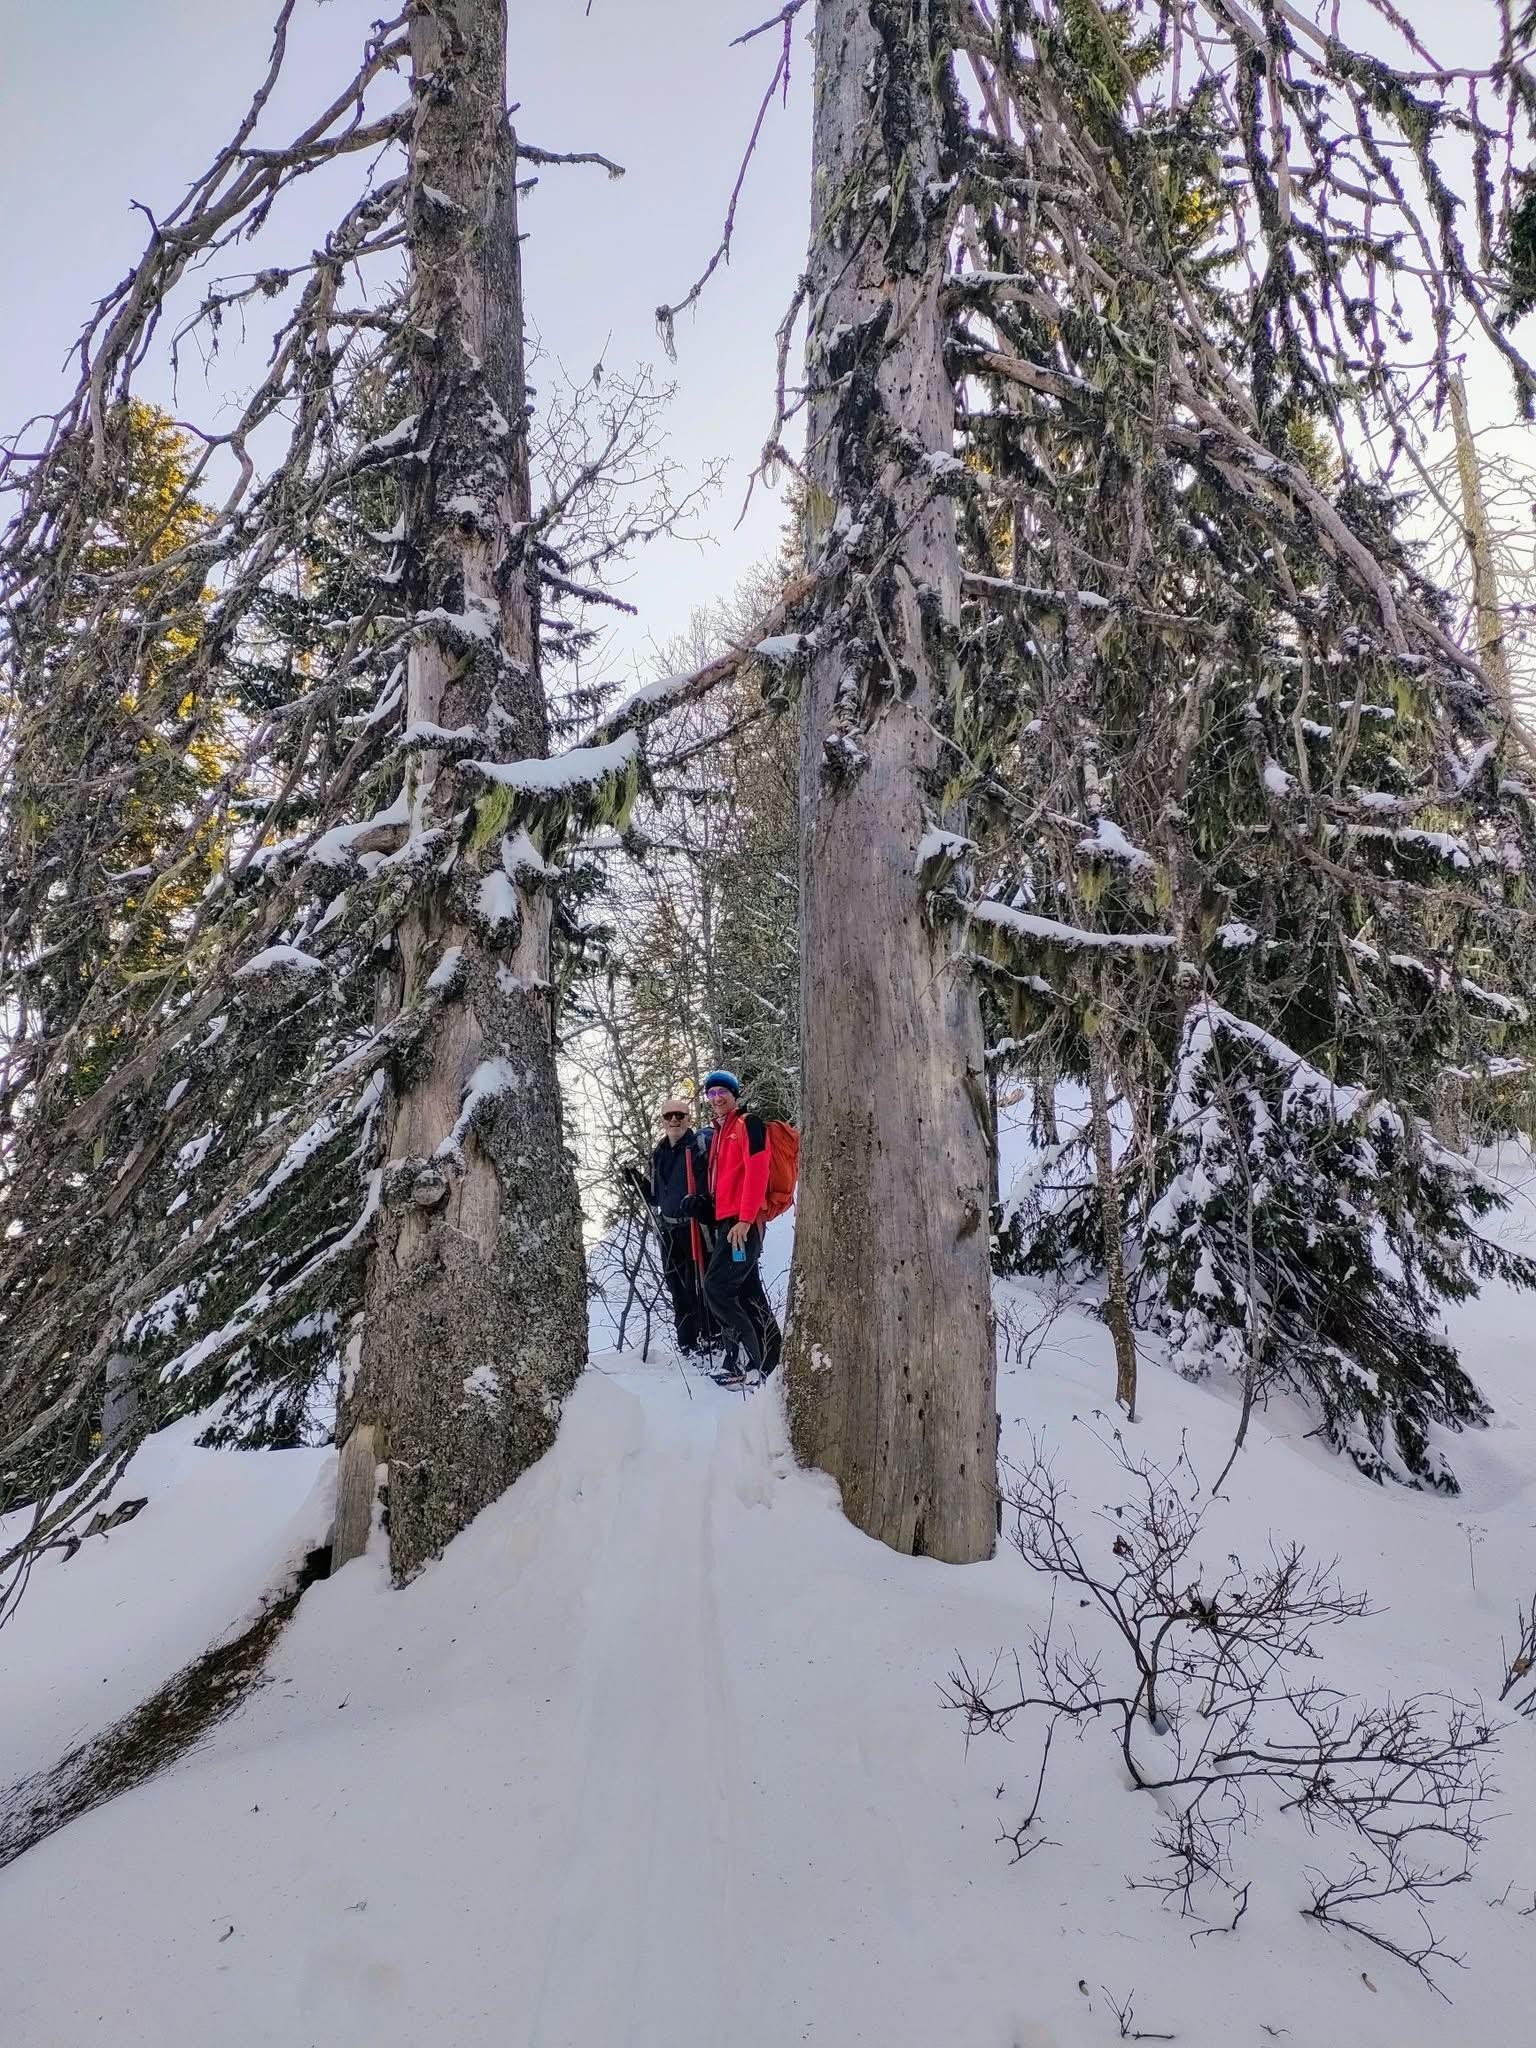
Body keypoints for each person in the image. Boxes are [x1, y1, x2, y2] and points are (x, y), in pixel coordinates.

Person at [686, 1070, 783, 1387]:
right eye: (711, 1093)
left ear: (734, 1094)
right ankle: (766, 1359)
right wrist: (706, 1206)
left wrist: (744, 1218)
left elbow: (758, 1169)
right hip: (728, 1225)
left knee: (717, 1287)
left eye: (722, 1092)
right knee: (745, 1292)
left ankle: (751, 1364)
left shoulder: (747, 1124)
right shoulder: (720, 1133)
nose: (716, 1098)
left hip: (742, 1227)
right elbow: (727, 1186)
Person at [642, 1097, 708, 1357]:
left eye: (679, 1115)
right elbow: (658, 1197)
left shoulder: (698, 1147)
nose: (674, 1121)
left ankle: (709, 1337)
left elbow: (709, 1185)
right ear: (662, 1121)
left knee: (700, 1285)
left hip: (694, 1227)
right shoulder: (659, 1153)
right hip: (668, 1230)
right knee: (677, 1287)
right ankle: (687, 1343)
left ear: (688, 1118)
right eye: (668, 1116)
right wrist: (640, 1184)